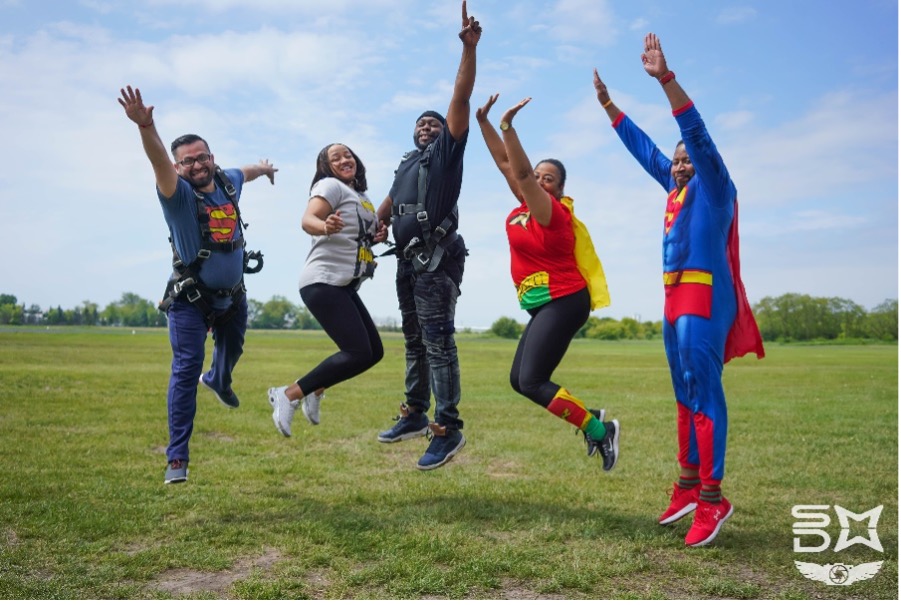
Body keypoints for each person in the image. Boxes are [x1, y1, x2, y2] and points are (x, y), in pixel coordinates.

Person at [593, 33, 765, 546]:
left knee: (704, 394)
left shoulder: (715, 187)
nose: (681, 163)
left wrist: (666, 80)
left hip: (705, 297)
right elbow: (646, 150)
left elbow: (695, 132)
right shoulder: (675, 186)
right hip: (673, 300)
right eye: (678, 160)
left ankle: (713, 501)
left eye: (688, 158)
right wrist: (609, 107)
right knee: (682, 395)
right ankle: (688, 485)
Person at [117, 85, 278, 485]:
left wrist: (265, 168)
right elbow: (158, 162)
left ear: (212, 158)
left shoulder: (227, 183)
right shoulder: (177, 195)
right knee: (185, 369)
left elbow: (248, 172)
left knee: (233, 347)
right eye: (186, 161)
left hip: (234, 299)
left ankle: (219, 379)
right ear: (178, 167)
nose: (196, 165)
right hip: (190, 301)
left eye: (201, 157)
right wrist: (147, 126)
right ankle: (177, 458)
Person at [475, 93, 620, 470]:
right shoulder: (523, 207)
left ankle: (600, 429)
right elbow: (508, 166)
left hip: (566, 299)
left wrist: (508, 127)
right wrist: (484, 122)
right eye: (538, 175)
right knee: (518, 381)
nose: (539, 180)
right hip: (547, 304)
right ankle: (592, 417)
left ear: (557, 189)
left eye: (548, 178)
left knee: (534, 380)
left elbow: (520, 173)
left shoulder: (550, 212)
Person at [374, 0, 481, 471]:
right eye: (421, 123)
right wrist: (377, 224)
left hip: (436, 262)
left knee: (439, 342)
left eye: (434, 124)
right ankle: (416, 414)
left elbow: (459, 99)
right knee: (414, 342)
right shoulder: (406, 164)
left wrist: (468, 51)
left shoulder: (444, 156)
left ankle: (448, 427)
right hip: (406, 261)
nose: (427, 126)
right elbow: (391, 201)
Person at [268, 143, 387, 437]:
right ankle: (289, 394)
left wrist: (376, 236)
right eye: (336, 158)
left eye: (348, 155)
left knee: (374, 352)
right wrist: (324, 226)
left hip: (343, 285)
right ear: (326, 166)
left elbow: (357, 236)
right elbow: (308, 220)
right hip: (322, 281)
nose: (345, 160)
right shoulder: (329, 185)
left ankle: (315, 388)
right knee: (358, 351)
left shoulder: (361, 196)